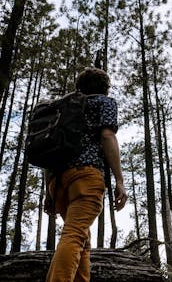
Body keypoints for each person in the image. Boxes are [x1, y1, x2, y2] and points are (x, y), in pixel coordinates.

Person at [44, 68, 127, 282]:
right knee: (74, 234)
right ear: (105, 88)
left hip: (57, 181)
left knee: (83, 239)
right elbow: (107, 136)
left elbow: (51, 149)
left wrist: (49, 193)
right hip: (86, 177)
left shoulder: (63, 109)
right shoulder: (104, 102)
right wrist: (119, 179)